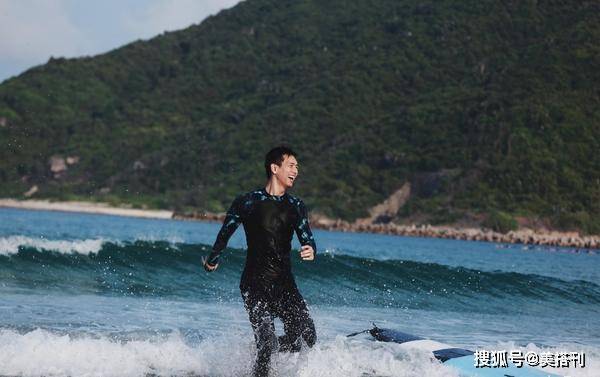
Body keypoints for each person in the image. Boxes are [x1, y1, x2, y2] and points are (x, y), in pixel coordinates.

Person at [202, 146, 317, 377]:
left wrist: (310, 250)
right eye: (291, 166)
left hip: (284, 285)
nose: (296, 170)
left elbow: (308, 238)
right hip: (255, 284)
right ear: (275, 168)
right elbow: (225, 233)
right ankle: (262, 357)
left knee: (308, 337)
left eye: (297, 167)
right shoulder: (247, 202)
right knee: (266, 345)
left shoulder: (296, 206)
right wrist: (212, 260)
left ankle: (264, 350)